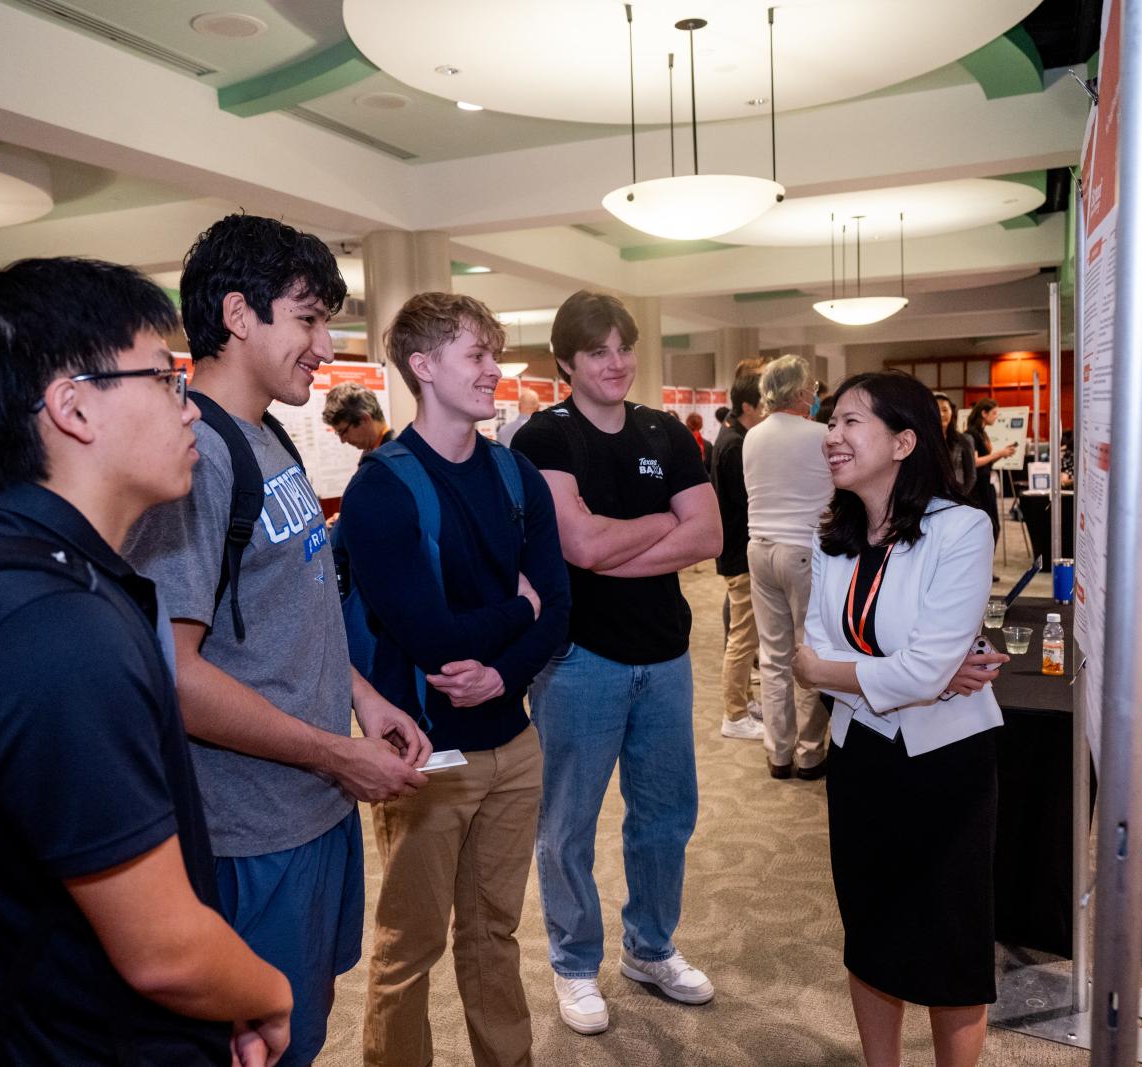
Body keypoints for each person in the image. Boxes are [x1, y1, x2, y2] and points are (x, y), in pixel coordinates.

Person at [0, 257, 293, 1065]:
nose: (188, 409)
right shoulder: (52, 630)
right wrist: (268, 991)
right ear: (73, 406)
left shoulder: (26, 574)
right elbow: (165, 952)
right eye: (163, 377)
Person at [124, 214, 431, 1067]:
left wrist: (364, 704)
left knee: (304, 1020)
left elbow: (299, 608)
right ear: (237, 314)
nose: (324, 346)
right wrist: (334, 753)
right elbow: (176, 675)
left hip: (313, 807)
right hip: (251, 831)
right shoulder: (200, 457)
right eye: (307, 318)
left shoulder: (267, 434)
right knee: (261, 1043)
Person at [340, 293, 570, 1067]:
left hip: (513, 744)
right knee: (410, 947)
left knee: (493, 934)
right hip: (426, 759)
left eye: (492, 353)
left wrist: (503, 677)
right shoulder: (382, 488)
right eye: (476, 354)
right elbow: (429, 635)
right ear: (423, 365)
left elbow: (560, 609)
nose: (493, 370)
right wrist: (518, 607)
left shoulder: (516, 473)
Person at [513, 290, 722, 1035]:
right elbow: (580, 547)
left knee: (666, 818)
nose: (616, 363)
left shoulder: (666, 430)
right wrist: (662, 520)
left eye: (624, 348)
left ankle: (651, 946)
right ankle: (574, 963)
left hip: (666, 656)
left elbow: (707, 536)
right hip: (579, 661)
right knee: (568, 823)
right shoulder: (545, 436)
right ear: (566, 360)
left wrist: (615, 542)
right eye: (598, 350)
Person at [794, 372, 1009, 1067]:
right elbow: (882, 661)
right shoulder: (832, 534)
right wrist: (919, 672)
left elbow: (829, 662)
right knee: (872, 933)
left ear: (904, 440)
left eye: (852, 422)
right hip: (860, 759)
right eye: (832, 422)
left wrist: (840, 671)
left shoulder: (962, 528)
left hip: (944, 765)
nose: (833, 436)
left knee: (951, 948)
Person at [743, 354, 835, 779]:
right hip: (804, 551)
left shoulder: (752, 437)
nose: (815, 395)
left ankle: (778, 752)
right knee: (810, 651)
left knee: (774, 656)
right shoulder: (821, 435)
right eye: (813, 389)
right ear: (800, 393)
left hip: (759, 549)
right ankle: (809, 752)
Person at [710, 371, 766, 742]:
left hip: (742, 551)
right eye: (763, 402)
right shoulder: (733, 444)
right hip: (738, 554)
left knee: (748, 634)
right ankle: (734, 713)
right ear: (747, 406)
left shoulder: (737, 437)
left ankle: (744, 700)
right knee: (743, 636)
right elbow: (743, 503)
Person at [964, 398, 1016, 541]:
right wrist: (999, 453)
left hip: (987, 484)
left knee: (993, 526)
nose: (996, 416)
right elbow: (974, 462)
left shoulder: (982, 433)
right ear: (984, 413)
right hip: (977, 487)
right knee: (987, 527)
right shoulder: (971, 434)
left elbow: (986, 462)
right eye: (994, 413)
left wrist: (1002, 454)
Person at [322, 380, 394, 453]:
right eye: (338, 433)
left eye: (343, 431)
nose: (342, 440)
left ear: (364, 419)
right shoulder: (373, 450)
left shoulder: (392, 457)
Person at [934, 392, 977, 496]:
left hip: (957, 497)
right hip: (931, 499)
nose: (941, 414)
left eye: (945, 410)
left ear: (951, 412)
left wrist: (960, 497)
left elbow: (971, 475)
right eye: (936, 410)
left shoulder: (964, 440)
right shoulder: (924, 440)